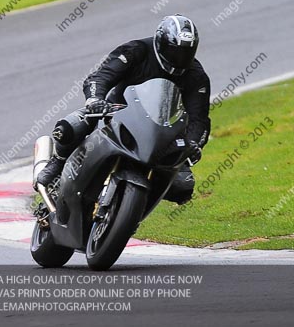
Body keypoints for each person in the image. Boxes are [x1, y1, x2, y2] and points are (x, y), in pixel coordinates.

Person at [36, 15, 211, 204]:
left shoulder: (196, 76)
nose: (180, 58)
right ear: (160, 42)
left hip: (162, 132)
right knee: (68, 128)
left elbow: (199, 119)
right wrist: (95, 99)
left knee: (183, 187)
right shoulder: (136, 51)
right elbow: (101, 76)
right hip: (117, 113)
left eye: (186, 53)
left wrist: (193, 143)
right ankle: (58, 162)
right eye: (174, 51)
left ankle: (135, 210)